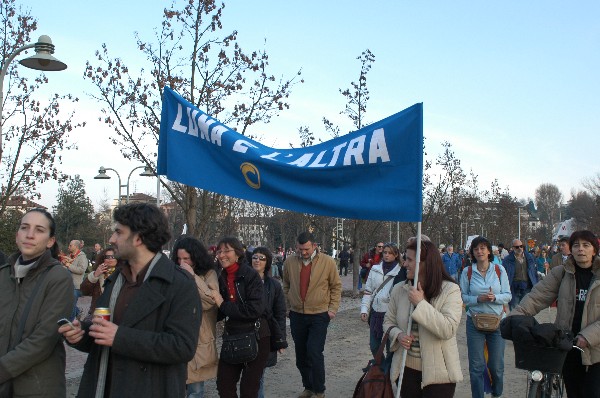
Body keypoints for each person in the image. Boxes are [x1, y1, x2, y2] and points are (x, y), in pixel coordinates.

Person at [59, 203, 201, 397]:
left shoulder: (179, 284)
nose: (111, 239)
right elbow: (104, 332)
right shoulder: (116, 279)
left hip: (150, 389)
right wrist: (81, 333)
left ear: (139, 238)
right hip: (105, 387)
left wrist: (120, 337)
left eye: (118, 232)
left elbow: (182, 347)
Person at [508, 230, 600, 398]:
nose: (581, 249)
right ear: (570, 250)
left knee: (593, 392)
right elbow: (537, 297)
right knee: (575, 392)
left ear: (594, 250)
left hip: (596, 347)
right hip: (568, 344)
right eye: (576, 245)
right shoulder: (562, 273)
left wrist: (587, 337)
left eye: (586, 245)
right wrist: (514, 317)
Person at [0, 208, 73, 396]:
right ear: (17, 236)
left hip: (37, 387)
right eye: (25, 228)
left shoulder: (58, 277)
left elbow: (44, 338)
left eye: (39, 230)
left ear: (50, 241)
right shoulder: (3, 274)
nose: (30, 235)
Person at [383, 239, 463, 396]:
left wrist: (420, 304)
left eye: (410, 260)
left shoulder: (450, 290)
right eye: (405, 258)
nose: (404, 264)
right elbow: (388, 322)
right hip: (405, 370)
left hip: (440, 374)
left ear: (426, 263)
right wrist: (398, 335)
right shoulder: (400, 289)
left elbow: (448, 329)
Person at [282, 232, 342, 398]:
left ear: (314, 246)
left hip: (319, 315)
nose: (303, 252)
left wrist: (332, 309)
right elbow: (285, 285)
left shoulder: (328, 262)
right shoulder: (290, 262)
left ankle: (319, 390)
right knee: (301, 355)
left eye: (306, 249)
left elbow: (336, 286)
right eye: (300, 249)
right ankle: (308, 387)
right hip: (296, 315)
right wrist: (288, 307)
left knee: (314, 352)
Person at [208, 237, 269, 398]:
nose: (222, 255)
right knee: (224, 385)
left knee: (249, 390)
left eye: (227, 251)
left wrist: (222, 304)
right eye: (219, 251)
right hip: (232, 336)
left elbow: (254, 310)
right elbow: (220, 312)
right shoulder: (220, 276)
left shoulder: (250, 275)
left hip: (256, 336)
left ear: (238, 254)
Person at [460, 236, 512, 398]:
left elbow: (508, 295)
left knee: (496, 366)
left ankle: (496, 393)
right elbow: (462, 297)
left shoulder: (499, 270)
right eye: (476, 249)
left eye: (483, 248)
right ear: (472, 253)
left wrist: (494, 298)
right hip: (474, 322)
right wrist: (477, 299)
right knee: (476, 366)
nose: (479, 251)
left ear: (489, 251)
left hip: (497, 321)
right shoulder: (467, 272)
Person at [171, 236, 219, 398]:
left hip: (199, 340)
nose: (182, 263)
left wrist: (192, 277)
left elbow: (209, 302)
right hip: (175, 337)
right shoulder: (173, 272)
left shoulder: (209, 273)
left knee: (195, 391)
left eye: (186, 259)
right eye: (179, 259)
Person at [360, 242, 404, 373]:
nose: (386, 255)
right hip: (376, 312)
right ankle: (383, 368)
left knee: (391, 347)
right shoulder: (375, 269)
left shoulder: (400, 271)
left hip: (391, 314)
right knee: (374, 346)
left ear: (396, 255)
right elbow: (368, 291)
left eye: (390, 253)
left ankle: (388, 373)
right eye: (384, 252)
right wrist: (364, 309)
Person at [251, 247, 288, 398]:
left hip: (264, 334)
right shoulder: (242, 281)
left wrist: (280, 339)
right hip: (243, 333)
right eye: (254, 257)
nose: (257, 260)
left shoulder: (274, 285)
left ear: (267, 262)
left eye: (261, 258)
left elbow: (279, 314)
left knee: (257, 376)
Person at [80, 247, 119, 321]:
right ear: (103, 259)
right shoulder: (97, 274)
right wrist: (95, 275)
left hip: (116, 314)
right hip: (99, 314)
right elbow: (84, 291)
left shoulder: (123, 275)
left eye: (113, 257)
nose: (110, 259)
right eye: (107, 257)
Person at [502, 238, 539, 310]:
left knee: (527, 309)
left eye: (521, 246)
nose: (519, 248)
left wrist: (536, 285)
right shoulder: (507, 260)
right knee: (514, 310)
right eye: (517, 247)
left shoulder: (530, 258)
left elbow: (534, 273)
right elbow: (504, 276)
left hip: (527, 287)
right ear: (512, 248)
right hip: (513, 288)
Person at [62, 239, 88, 320]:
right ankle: (78, 312)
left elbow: (81, 270)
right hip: (67, 285)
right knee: (68, 304)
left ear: (76, 247)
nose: (68, 247)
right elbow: (65, 268)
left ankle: (71, 323)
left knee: (71, 305)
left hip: (76, 286)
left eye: (70, 245)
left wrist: (68, 265)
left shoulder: (82, 257)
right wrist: (62, 264)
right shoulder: (69, 256)